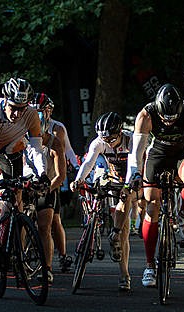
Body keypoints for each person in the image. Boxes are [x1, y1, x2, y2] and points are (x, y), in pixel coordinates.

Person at [125, 83, 184, 287]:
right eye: (165, 118)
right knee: (152, 205)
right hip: (157, 154)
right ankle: (150, 266)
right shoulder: (146, 115)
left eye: (172, 118)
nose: (169, 123)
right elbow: (137, 151)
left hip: (181, 153)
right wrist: (134, 174)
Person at [70, 112, 134, 291]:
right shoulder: (99, 142)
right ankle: (94, 221)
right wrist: (79, 179)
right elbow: (88, 162)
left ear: (120, 132)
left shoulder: (131, 140)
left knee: (124, 222)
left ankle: (124, 274)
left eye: (112, 139)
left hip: (130, 178)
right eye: (104, 139)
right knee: (96, 187)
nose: (108, 142)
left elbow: (135, 165)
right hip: (112, 177)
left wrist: (127, 186)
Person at [0, 78, 49, 219]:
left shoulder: (31, 115)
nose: (17, 114)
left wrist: (42, 174)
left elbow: (37, 149)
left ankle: (15, 235)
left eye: (22, 108)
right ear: (5, 100)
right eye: (14, 108)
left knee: (16, 200)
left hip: (12, 152)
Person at [24, 93, 67, 284]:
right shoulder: (19, 134)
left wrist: (48, 188)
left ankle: (48, 267)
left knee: (46, 225)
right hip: (25, 183)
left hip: (47, 183)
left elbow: (61, 174)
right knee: (17, 219)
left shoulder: (55, 137)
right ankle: (17, 256)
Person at [37, 93, 77, 272]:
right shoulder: (25, 125)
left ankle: (62, 255)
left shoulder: (57, 128)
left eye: (42, 110)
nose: (39, 114)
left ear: (49, 111)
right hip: (34, 177)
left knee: (54, 220)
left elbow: (67, 150)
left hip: (52, 177)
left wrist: (76, 168)